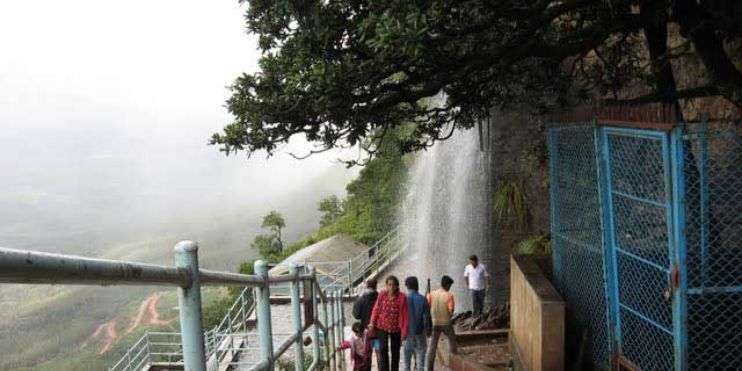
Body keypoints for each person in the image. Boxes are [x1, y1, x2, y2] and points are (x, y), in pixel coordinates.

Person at [369, 275, 408, 371]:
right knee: (383, 349)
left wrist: (404, 332)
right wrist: (372, 322)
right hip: (382, 327)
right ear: (386, 286)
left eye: (393, 285)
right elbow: (376, 309)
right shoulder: (382, 294)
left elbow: (405, 315)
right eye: (389, 285)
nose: (391, 287)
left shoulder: (402, 297)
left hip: (396, 328)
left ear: (397, 286)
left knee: (395, 352)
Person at [426, 275, 457, 371]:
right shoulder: (449, 295)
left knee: (433, 346)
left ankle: (430, 368)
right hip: (446, 323)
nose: (450, 287)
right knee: (452, 340)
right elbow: (451, 310)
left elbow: (427, 306)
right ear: (447, 285)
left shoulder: (431, 294)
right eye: (450, 285)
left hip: (435, 323)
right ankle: (454, 362)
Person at [403, 276, 430, 371]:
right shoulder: (423, 299)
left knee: (406, 364)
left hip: (406, 334)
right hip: (420, 333)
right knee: (420, 364)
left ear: (407, 286)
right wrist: (428, 331)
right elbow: (427, 318)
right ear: (417, 285)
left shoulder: (403, 299)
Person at [353, 278, 379, 371]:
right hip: (379, 331)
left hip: (365, 330)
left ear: (367, 286)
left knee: (367, 354)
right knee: (379, 353)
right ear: (376, 286)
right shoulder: (380, 298)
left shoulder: (362, 299)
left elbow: (356, 315)